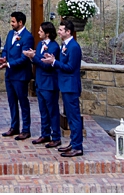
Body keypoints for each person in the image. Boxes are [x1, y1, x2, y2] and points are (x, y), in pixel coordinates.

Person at [44, 18, 84, 157]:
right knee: (70, 117)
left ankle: (78, 146)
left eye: (61, 30)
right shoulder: (64, 45)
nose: (59, 32)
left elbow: (71, 67)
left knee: (74, 117)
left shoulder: (73, 46)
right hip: (65, 85)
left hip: (71, 86)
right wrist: (52, 59)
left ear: (68, 31)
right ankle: (73, 143)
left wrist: (54, 62)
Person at [24, 21, 61, 148]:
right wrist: (32, 56)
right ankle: (45, 134)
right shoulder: (40, 44)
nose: (38, 33)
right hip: (40, 82)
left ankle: (56, 136)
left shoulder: (54, 47)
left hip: (49, 84)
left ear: (48, 33)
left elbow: (47, 64)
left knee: (52, 111)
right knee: (43, 111)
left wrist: (34, 57)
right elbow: (39, 59)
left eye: (41, 31)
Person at [0, 11, 33, 139]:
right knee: (12, 101)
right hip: (10, 74)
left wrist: (8, 64)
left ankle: (26, 129)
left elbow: (25, 58)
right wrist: (3, 58)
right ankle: (14, 126)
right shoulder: (10, 34)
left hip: (20, 75)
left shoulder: (27, 37)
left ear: (20, 22)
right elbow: (6, 49)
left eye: (13, 22)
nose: (11, 24)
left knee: (23, 102)